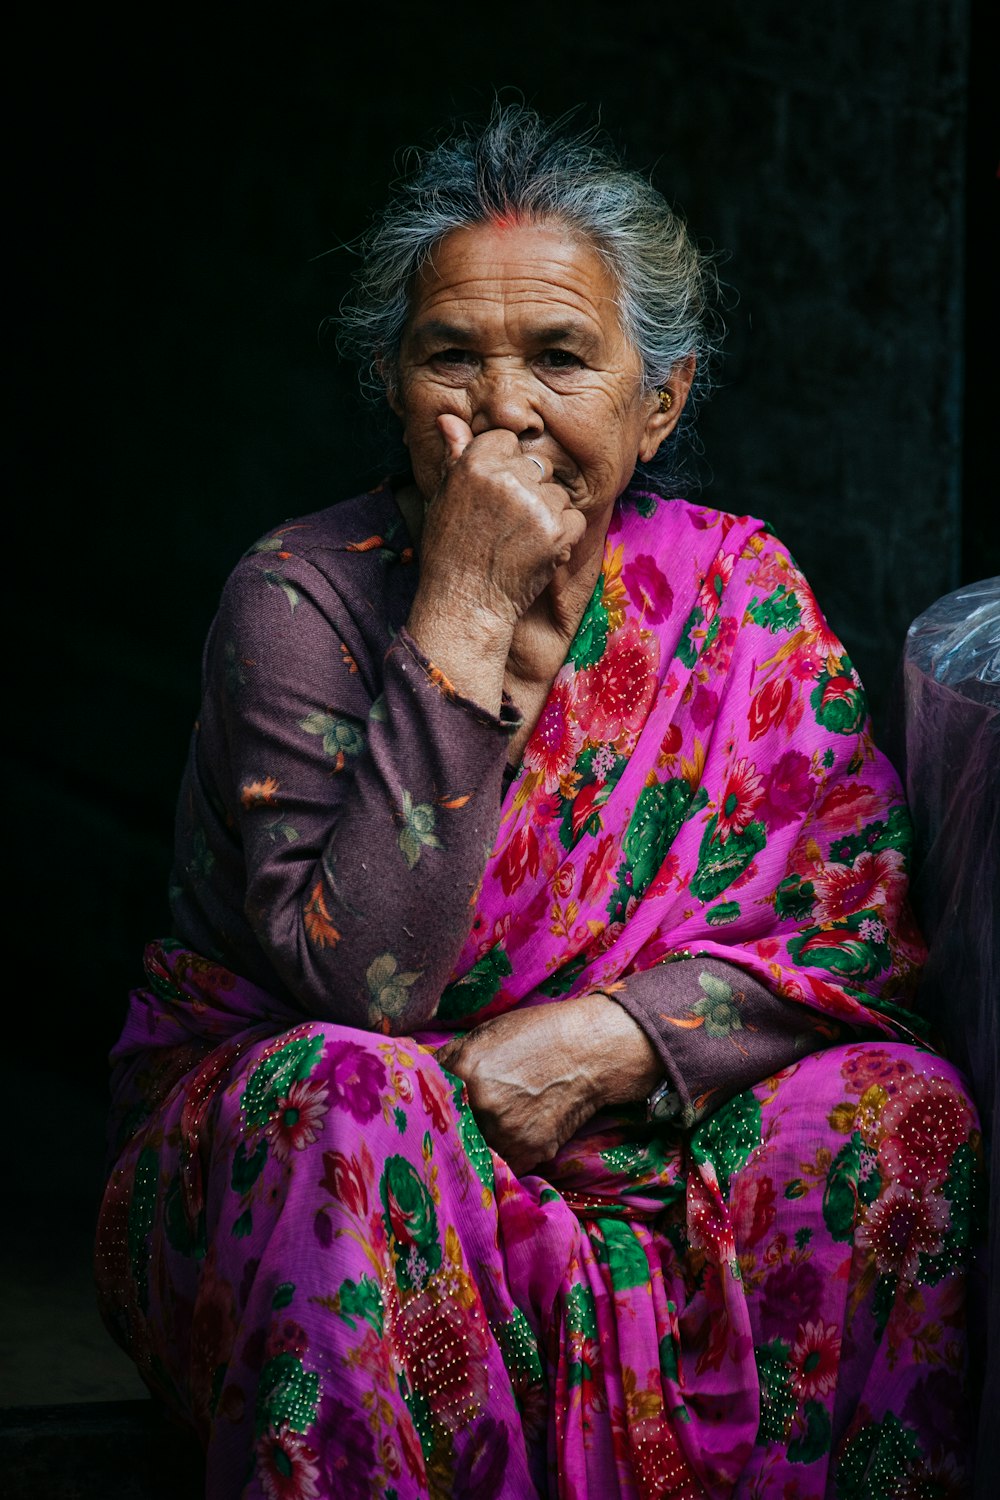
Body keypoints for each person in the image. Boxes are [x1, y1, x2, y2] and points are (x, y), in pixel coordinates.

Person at [95, 101, 983, 1499]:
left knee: (900, 1113)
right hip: (327, 1167)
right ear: (394, 386)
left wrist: (609, 1041)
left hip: (640, 1140)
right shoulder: (298, 599)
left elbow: (856, 937)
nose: (503, 408)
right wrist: (459, 606)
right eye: (452, 355)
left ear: (659, 401)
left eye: (561, 357)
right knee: (347, 1094)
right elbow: (364, 988)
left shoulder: (733, 594)